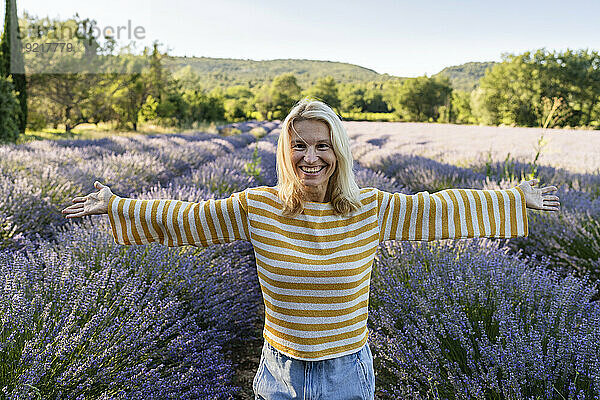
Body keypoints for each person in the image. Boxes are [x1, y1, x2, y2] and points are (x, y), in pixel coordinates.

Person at [62, 98, 560, 400]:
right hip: (281, 370)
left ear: (338, 150)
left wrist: (514, 197)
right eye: (299, 145)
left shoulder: (370, 208)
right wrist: (117, 205)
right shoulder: (259, 206)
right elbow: (189, 219)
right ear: (285, 152)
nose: (311, 156)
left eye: (322, 145)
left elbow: (436, 208)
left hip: (348, 372)